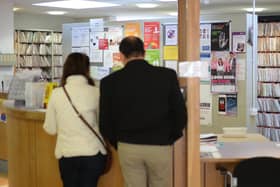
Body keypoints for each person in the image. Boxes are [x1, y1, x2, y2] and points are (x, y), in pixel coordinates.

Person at [99, 36, 187, 187]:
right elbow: (180, 113)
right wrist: (169, 138)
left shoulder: (109, 82)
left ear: (121, 56)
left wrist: (118, 142)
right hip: (160, 145)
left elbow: (105, 121)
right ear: (144, 53)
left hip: (128, 145)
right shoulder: (167, 76)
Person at [43, 52, 106, 187]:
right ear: (87, 70)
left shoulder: (56, 94)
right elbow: (103, 123)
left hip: (67, 154)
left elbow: (51, 128)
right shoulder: (96, 92)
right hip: (93, 153)